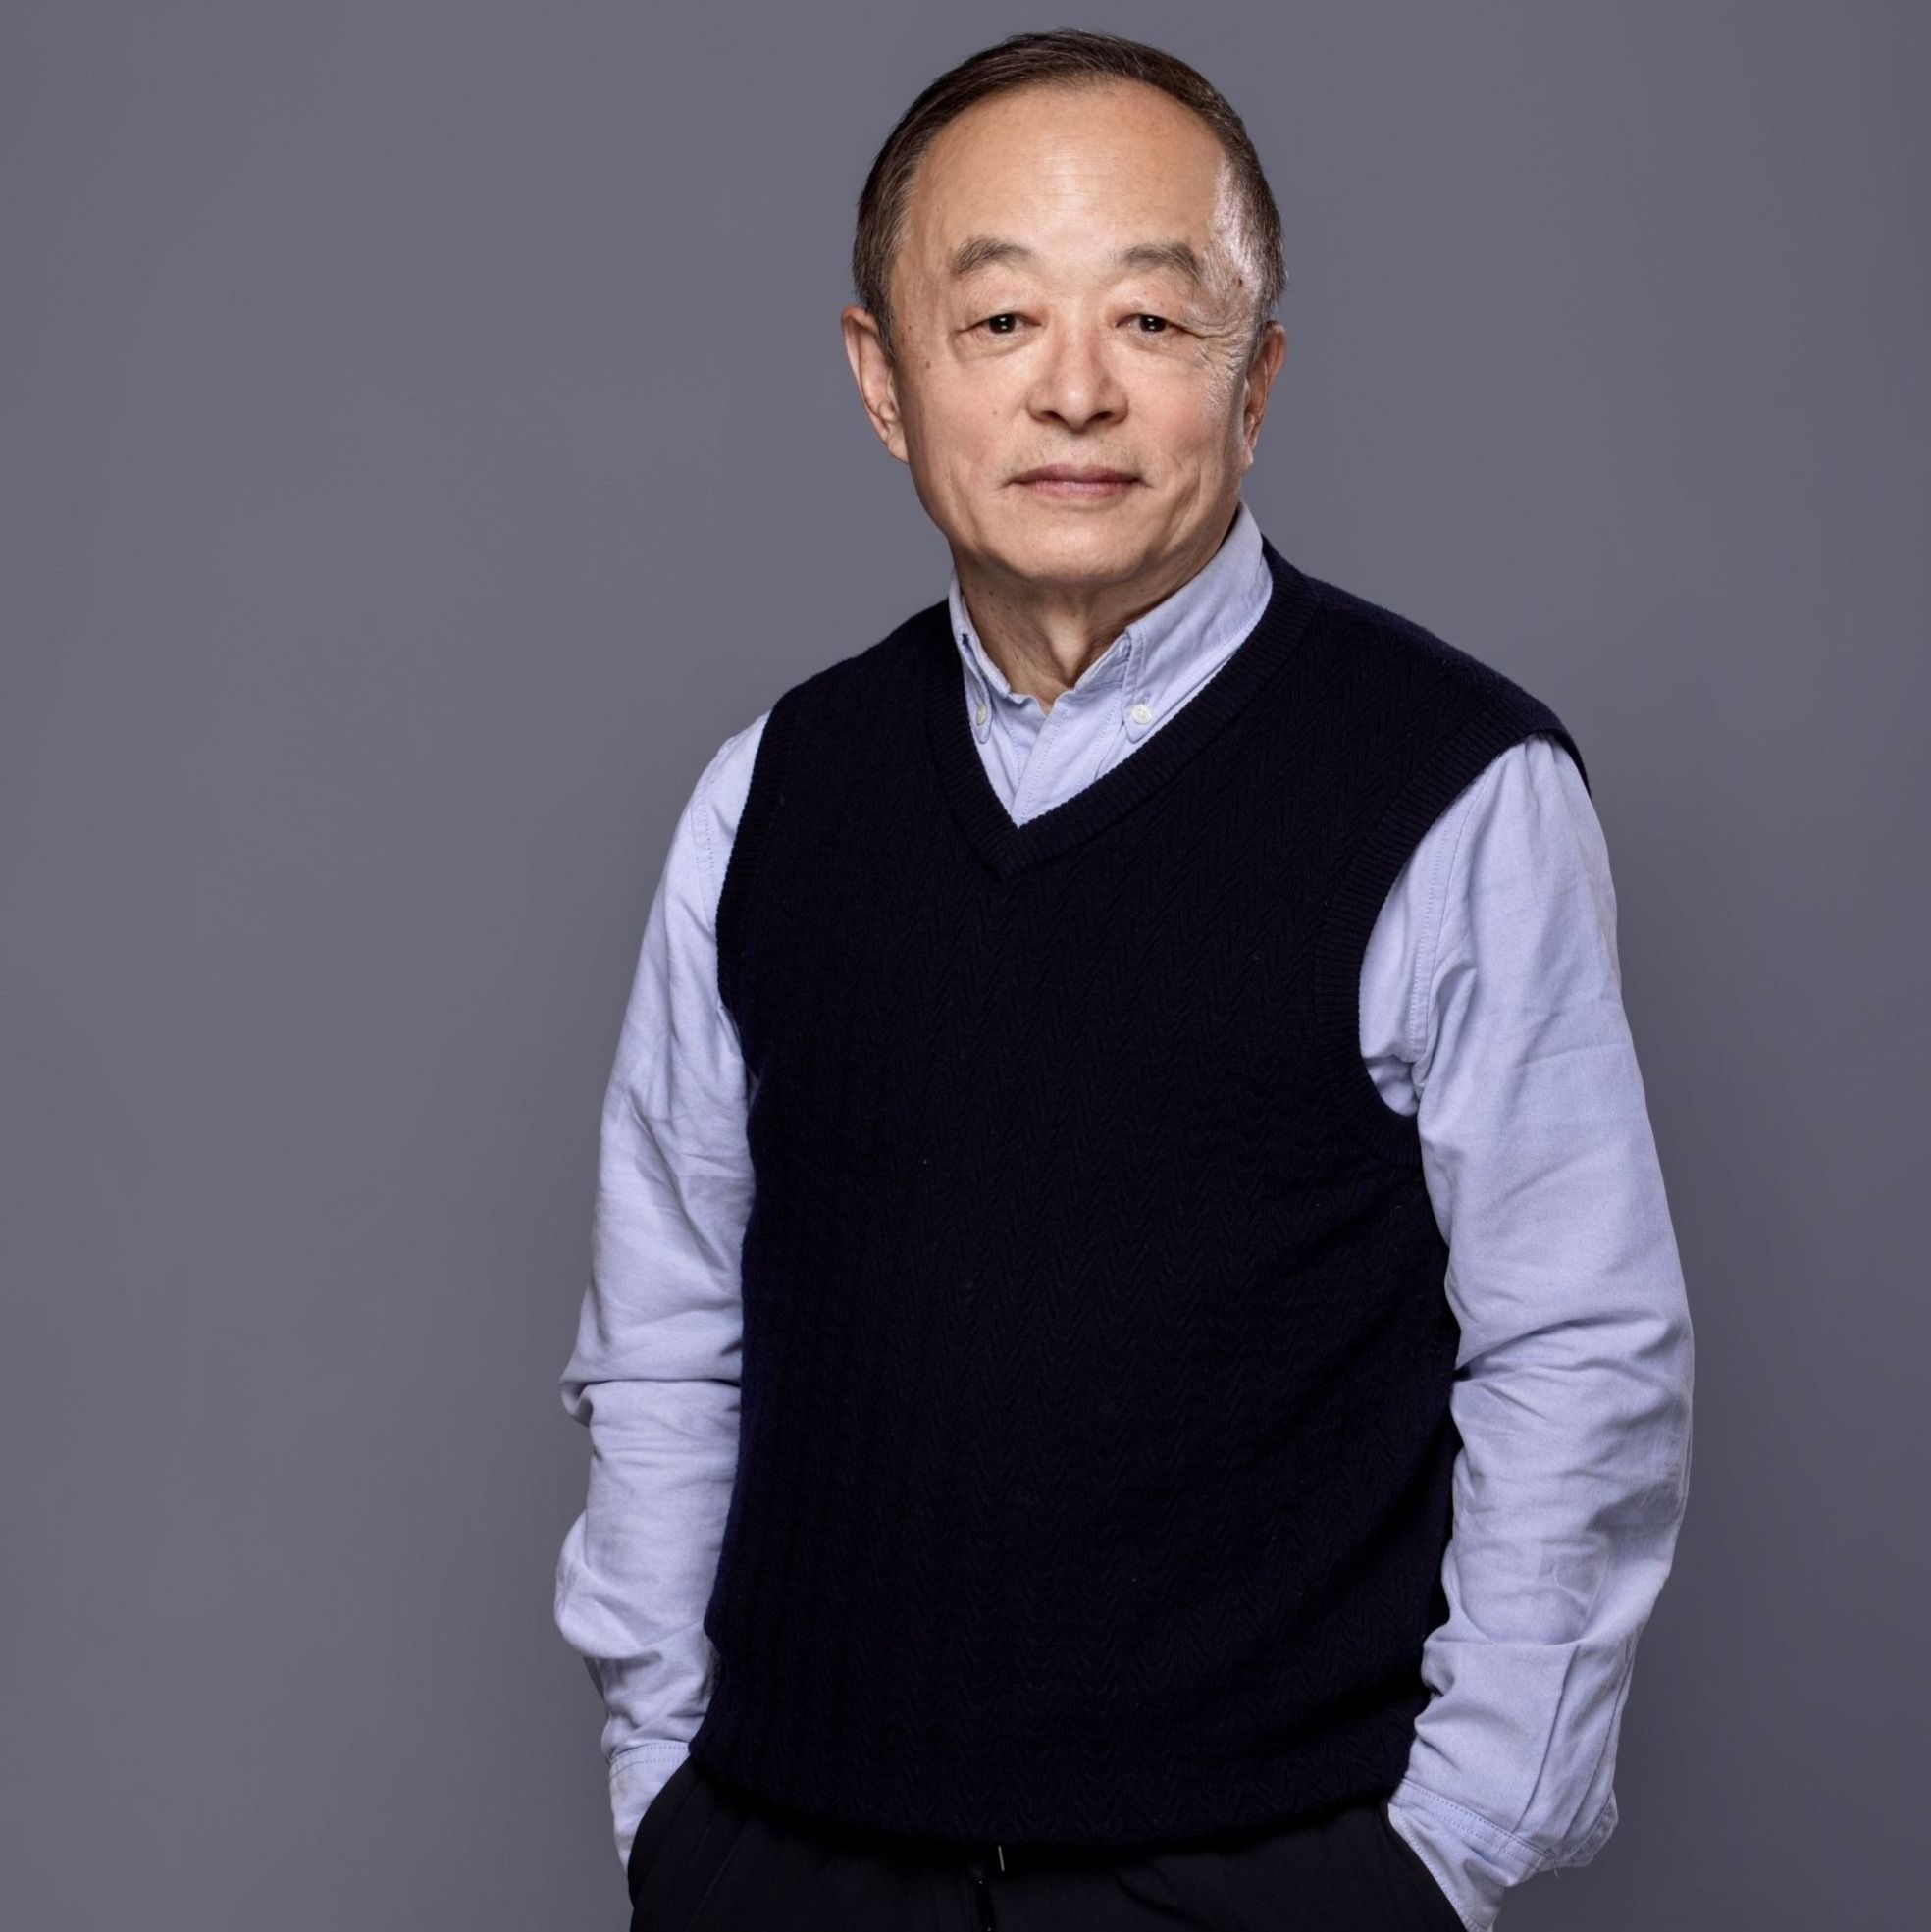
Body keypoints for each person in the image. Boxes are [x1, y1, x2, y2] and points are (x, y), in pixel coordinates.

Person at [553, 27, 1694, 1932]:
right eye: (999, 319)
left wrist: (1447, 1852)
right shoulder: (773, 793)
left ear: (1256, 382)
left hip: (1265, 1875)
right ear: (884, 380)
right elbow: (667, 1329)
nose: (1074, 389)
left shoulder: (1459, 790)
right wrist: (665, 1790)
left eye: (1153, 322)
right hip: (786, 1854)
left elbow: (1583, 1353)